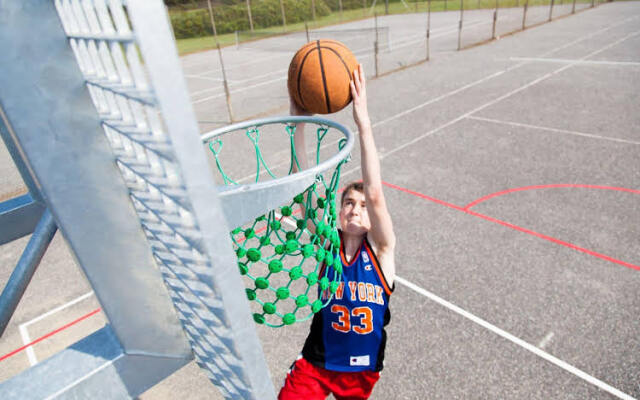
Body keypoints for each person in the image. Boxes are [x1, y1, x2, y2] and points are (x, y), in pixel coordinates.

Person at [279, 64, 396, 400]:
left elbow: (375, 192)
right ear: (339, 213)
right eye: (347, 203)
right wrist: (297, 119)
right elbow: (303, 188)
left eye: (361, 205)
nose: (355, 209)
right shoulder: (328, 245)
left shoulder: (382, 251)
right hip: (317, 363)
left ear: (372, 217)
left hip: (361, 372)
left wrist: (363, 122)